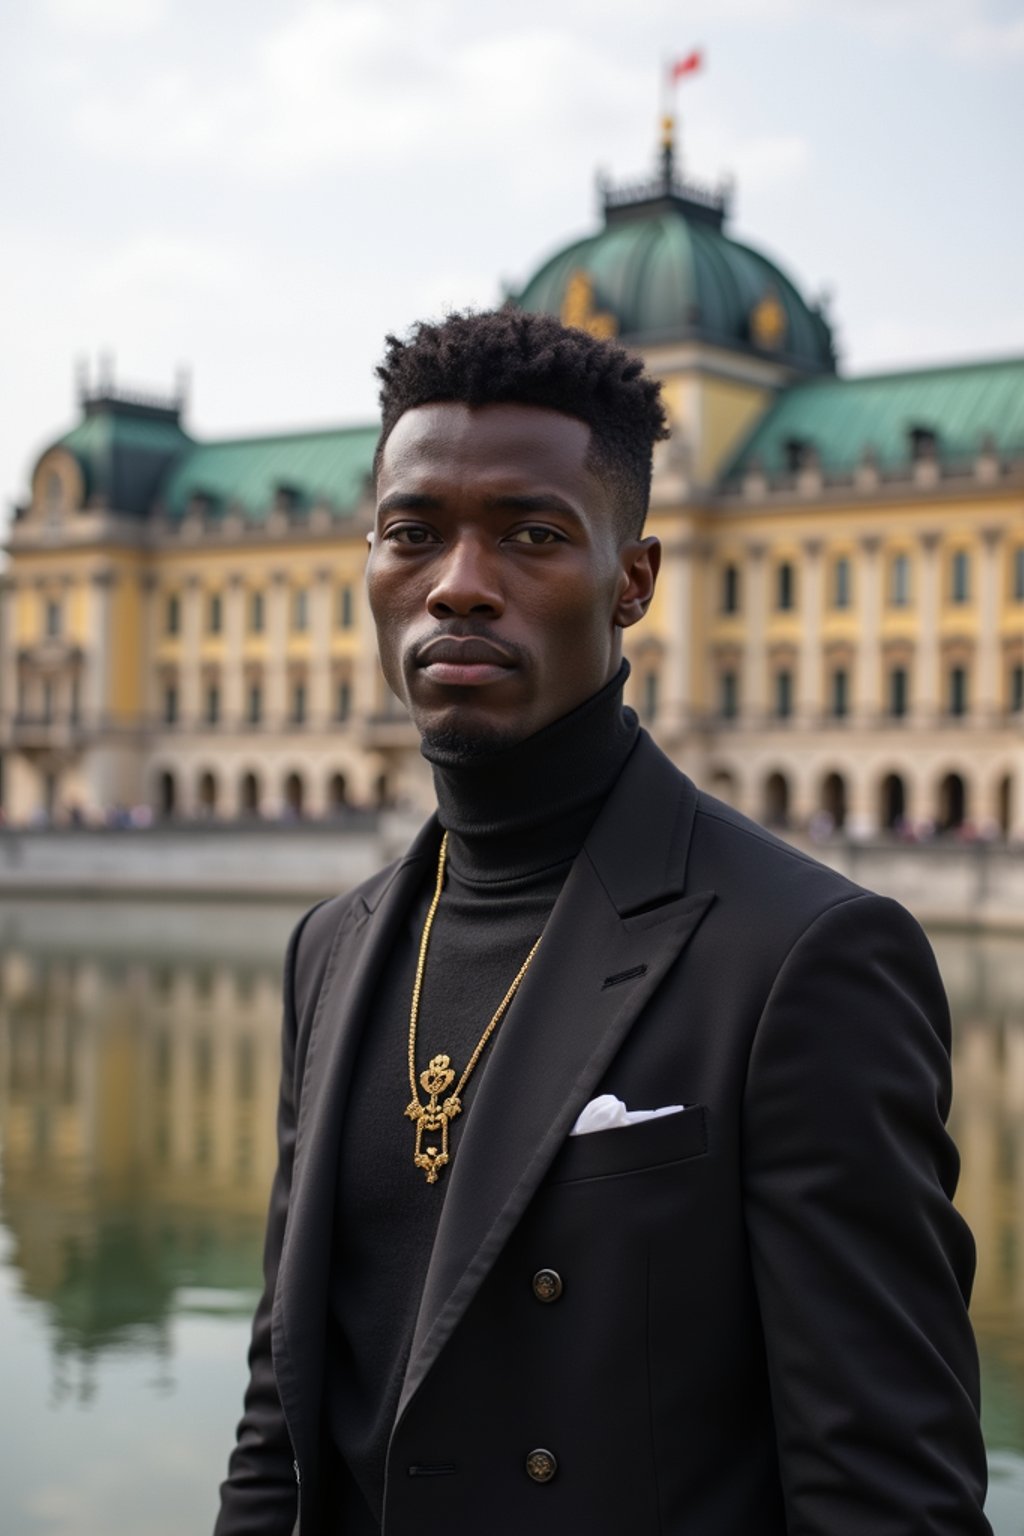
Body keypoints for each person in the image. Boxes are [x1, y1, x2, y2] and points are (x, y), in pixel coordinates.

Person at [215, 310, 990, 1535]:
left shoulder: (803, 956)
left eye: (531, 534)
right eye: (413, 533)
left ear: (632, 579)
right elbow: (282, 1422)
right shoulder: (333, 948)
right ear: (367, 560)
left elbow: (887, 1501)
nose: (459, 585)